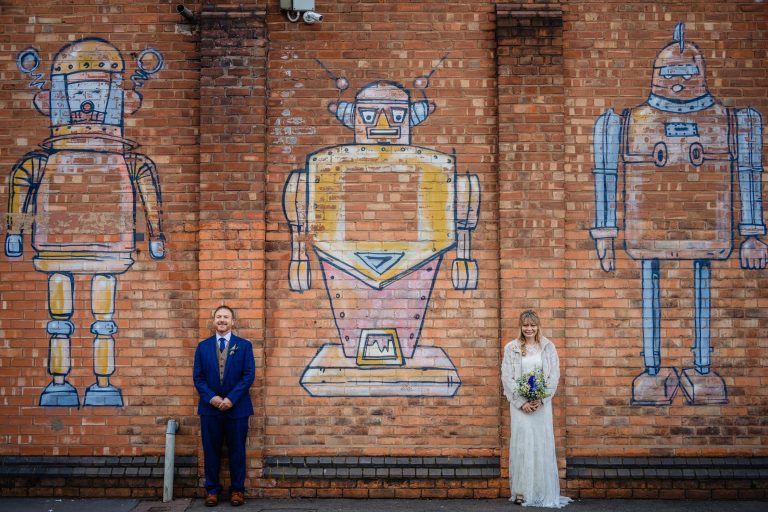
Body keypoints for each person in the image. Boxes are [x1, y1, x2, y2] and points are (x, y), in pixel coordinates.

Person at [501, 310, 571, 508]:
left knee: (540, 444)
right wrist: (522, 402)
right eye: (525, 325)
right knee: (522, 446)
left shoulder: (547, 347)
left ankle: (540, 490)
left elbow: (553, 375)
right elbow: (507, 377)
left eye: (533, 325)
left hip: (541, 406)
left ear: (538, 326)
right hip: (520, 407)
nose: (529, 329)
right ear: (520, 327)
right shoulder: (512, 348)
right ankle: (522, 491)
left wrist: (541, 399)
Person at [193, 305, 255, 507]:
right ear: (214, 321)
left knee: (237, 450)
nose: (222, 320)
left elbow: (248, 375)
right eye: (218, 317)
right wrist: (212, 398)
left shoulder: (244, 346)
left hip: (237, 409)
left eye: (226, 317)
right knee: (211, 451)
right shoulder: (202, 347)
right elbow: (198, 378)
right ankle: (212, 490)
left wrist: (231, 399)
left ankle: (237, 490)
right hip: (210, 409)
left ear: (232, 321)